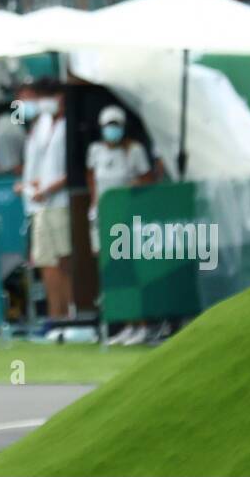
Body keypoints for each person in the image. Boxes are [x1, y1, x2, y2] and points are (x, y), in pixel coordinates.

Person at [16, 79, 72, 322]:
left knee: (65, 260)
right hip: (41, 205)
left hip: (61, 203)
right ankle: (55, 318)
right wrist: (32, 185)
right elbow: (43, 168)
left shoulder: (68, 125)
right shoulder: (43, 125)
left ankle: (73, 315)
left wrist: (48, 188)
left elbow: (74, 169)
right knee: (46, 261)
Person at [86, 105, 159, 259]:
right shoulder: (95, 150)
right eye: (108, 125)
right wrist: (94, 201)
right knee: (103, 258)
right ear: (101, 127)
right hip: (101, 214)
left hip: (127, 214)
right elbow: (91, 177)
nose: (112, 129)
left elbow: (148, 180)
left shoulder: (134, 150)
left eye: (116, 125)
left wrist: (134, 185)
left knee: (125, 256)